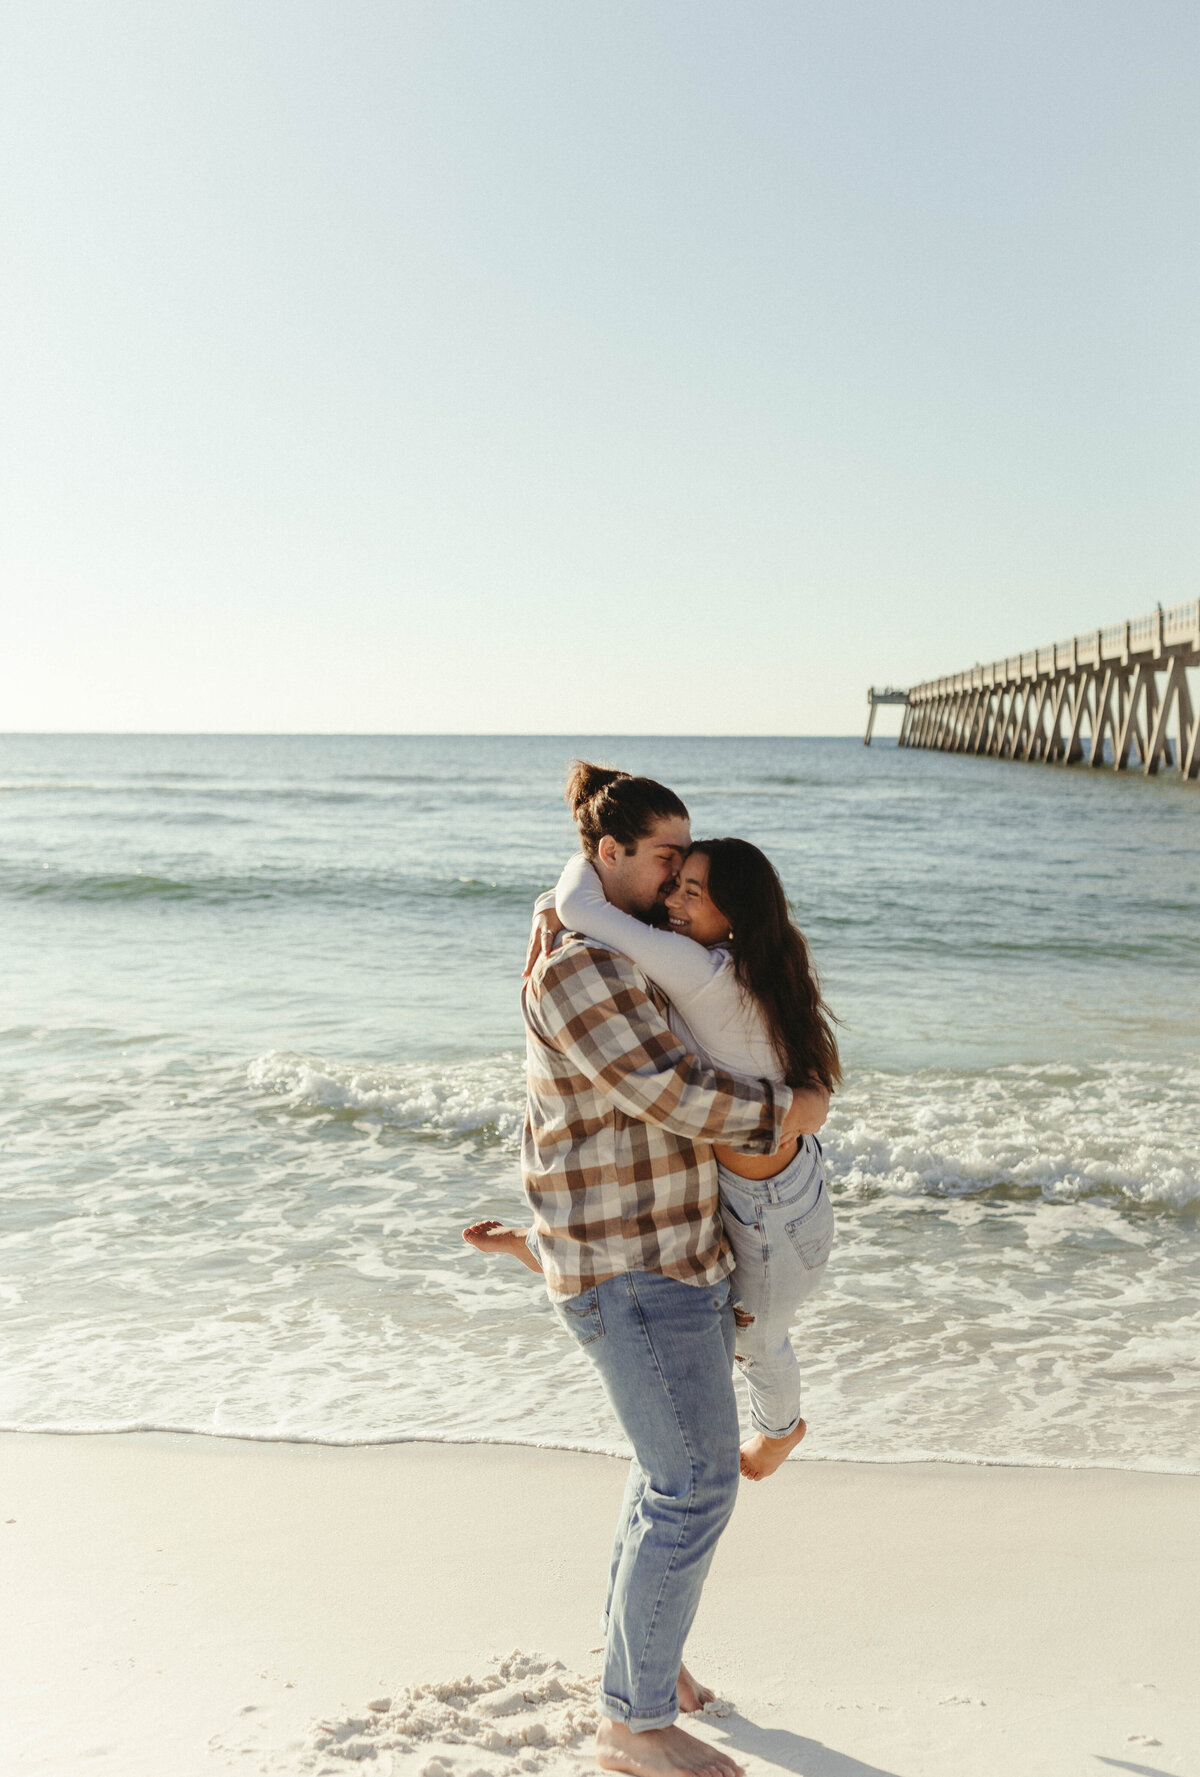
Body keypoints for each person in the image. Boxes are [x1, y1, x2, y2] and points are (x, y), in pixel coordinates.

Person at [465, 763, 829, 1777]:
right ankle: (631, 1725)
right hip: (633, 1267)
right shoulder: (575, 967)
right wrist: (789, 1114)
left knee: (665, 1477)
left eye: (686, 860)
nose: (676, 878)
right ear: (607, 854)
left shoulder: (622, 945)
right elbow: (669, 1090)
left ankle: (647, 1671)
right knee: (695, 1483)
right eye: (664, 857)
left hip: (672, 1248)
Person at [470, 836, 840, 1483]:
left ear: (734, 915)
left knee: (754, 1338)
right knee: (657, 1248)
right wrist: (545, 907)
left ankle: (782, 1431)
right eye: (673, 883)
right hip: (751, 1188)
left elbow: (589, 906)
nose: (670, 898)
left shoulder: (701, 970)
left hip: (774, 1217)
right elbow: (595, 912)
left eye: (691, 891)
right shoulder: (727, 958)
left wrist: (558, 904)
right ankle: (541, 1243)